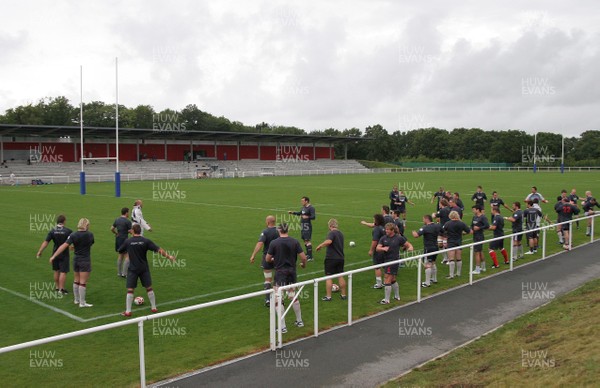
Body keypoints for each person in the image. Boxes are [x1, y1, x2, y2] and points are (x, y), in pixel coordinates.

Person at [118, 224, 176, 316]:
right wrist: (169, 256)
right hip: (144, 268)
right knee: (149, 288)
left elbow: (120, 250)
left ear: (133, 231)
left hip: (133, 269)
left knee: (130, 290)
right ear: (140, 231)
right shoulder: (146, 241)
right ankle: (154, 308)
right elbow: (158, 249)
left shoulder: (128, 241)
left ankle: (128, 311)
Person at [265, 223, 308, 334]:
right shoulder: (294, 241)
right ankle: (299, 321)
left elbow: (267, 259)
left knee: (278, 298)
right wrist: (303, 264)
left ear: (279, 230)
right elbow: (303, 257)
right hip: (292, 272)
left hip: (280, 273)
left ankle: (282, 326)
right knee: (292, 295)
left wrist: (274, 259)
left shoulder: (274, 243)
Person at [49, 218, 95, 307]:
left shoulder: (73, 234)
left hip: (76, 259)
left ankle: (76, 300)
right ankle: (82, 302)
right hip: (85, 260)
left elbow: (64, 246)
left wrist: (54, 256)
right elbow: (90, 243)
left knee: (76, 280)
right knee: (83, 282)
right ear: (87, 225)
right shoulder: (90, 234)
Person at [376, 223, 413, 304]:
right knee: (393, 279)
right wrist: (383, 248)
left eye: (388, 230)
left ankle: (386, 300)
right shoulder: (383, 238)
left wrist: (410, 248)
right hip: (386, 260)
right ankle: (397, 296)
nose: (386, 231)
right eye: (386, 229)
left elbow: (408, 244)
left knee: (387, 279)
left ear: (392, 230)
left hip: (393, 261)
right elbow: (377, 248)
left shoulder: (398, 238)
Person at [36, 215, 73, 294]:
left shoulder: (52, 231)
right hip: (64, 253)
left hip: (55, 253)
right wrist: (71, 247)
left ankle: (57, 287)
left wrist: (40, 251)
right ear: (64, 221)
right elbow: (70, 242)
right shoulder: (68, 231)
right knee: (63, 271)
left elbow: (46, 242)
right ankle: (61, 289)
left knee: (56, 270)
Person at [250, 215, 279, 306]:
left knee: (267, 278)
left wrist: (253, 255)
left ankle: (267, 299)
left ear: (267, 222)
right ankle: (277, 299)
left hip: (267, 257)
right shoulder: (279, 230)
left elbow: (260, 243)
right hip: (278, 257)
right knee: (278, 278)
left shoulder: (265, 231)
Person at [316, 218, 347, 301]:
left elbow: (329, 242)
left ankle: (328, 296)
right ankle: (343, 295)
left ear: (330, 226)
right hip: (340, 257)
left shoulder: (331, 233)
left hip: (331, 258)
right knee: (340, 276)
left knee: (329, 277)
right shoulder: (341, 233)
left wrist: (320, 245)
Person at [412, 214, 441, 287]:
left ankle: (427, 283)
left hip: (428, 248)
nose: (423, 221)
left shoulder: (425, 228)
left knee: (427, 265)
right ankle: (434, 279)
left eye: (423, 219)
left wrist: (414, 232)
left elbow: (416, 235)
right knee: (433, 263)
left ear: (426, 219)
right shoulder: (437, 226)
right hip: (436, 247)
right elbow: (443, 232)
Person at [360, 214, 386, 289]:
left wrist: (371, 250)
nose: (373, 220)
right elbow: (372, 225)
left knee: (377, 266)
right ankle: (386, 281)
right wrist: (365, 223)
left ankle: (379, 284)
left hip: (378, 250)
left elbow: (375, 241)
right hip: (384, 249)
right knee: (385, 265)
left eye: (374, 219)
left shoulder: (377, 229)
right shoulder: (383, 227)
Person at [442, 211, 471, 279]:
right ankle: (458, 273)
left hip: (451, 242)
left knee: (451, 259)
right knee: (458, 258)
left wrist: (445, 237)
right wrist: (463, 233)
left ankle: (451, 275)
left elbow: (442, 231)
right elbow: (469, 231)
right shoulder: (461, 223)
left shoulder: (447, 223)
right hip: (459, 241)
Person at [288, 196, 316, 261]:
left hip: (307, 226)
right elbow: (300, 213)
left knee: (307, 240)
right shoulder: (303, 207)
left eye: (303, 201)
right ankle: (308, 254)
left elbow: (313, 217)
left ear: (306, 201)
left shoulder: (311, 208)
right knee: (304, 240)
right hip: (303, 225)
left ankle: (310, 257)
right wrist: (293, 212)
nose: (301, 202)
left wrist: (307, 217)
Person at [111, 207, 132, 278]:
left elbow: (112, 228)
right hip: (125, 240)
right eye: (128, 212)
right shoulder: (128, 221)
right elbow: (130, 231)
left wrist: (116, 233)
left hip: (118, 239)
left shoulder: (117, 219)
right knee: (127, 256)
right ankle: (124, 273)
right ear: (126, 213)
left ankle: (119, 273)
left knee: (120, 255)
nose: (129, 213)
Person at [470, 205, 489, 275]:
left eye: (473, 209)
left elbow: (487, 226)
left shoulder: (483, 217)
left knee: (476, 253)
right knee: (480, 251)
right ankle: (483, 267)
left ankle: (477, 269)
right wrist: (471, 229)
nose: (473, 211)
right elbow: (472, 225)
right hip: (475, 236)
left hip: (479, 236)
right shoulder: (474, 217)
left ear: (478, 210)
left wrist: (479, 228)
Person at [433, 199, 452, 264]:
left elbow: (434, 216)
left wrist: (433, 214)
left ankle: (448, 259)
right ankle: (446, 258)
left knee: (444, 245)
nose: (439, 205)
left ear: (442, 204)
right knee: (441, 244)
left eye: (439, 204)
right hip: (443, 229)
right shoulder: (449, 209)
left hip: (444, 229)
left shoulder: (442, 210)